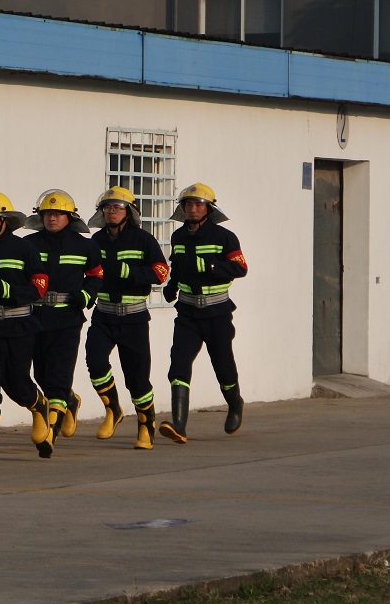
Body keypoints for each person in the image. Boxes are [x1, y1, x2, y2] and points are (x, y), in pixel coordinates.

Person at [0, 190, 53, 467]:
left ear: (5, 219)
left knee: (16, 383)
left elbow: (40, 286)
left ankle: (39, 405)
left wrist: (10, 291)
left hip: (19, 326)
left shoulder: (24, 249)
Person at [158, 183, 248, 443]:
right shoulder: (178, 237)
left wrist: (210, 266)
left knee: (223, 366)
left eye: (198, 204)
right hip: (187, 313)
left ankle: (235, 403)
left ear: (209, 208)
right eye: (188, 204)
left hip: (217, 313)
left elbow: (240, 268)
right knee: (179, 364)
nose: (193, 209)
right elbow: (178, 265)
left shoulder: (224, 237)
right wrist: (172, 286)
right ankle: (179, 425)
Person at [84, 186, 169, 449]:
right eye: (107, 207)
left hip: (134, 318)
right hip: (103, 315)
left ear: (129, 212)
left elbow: (161, 273)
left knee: (137, 378)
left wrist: (128, 272)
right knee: (95, 363)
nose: (111, 211)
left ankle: (146, 426)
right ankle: (113, 409)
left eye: (117, 207)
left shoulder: (144, 240)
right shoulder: (95, 241)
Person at [22, 189, 103, 444]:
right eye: (47, 214)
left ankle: (50, 434)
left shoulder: (85, 245)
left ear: (70, 217)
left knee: (59, 374)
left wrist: (86, 295)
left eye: (58, 214)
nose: (52, 218)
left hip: (68, 318)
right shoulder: (29, 244)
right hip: (36, 317)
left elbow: (96, 276)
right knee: (42, 375)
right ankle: (70, 400)